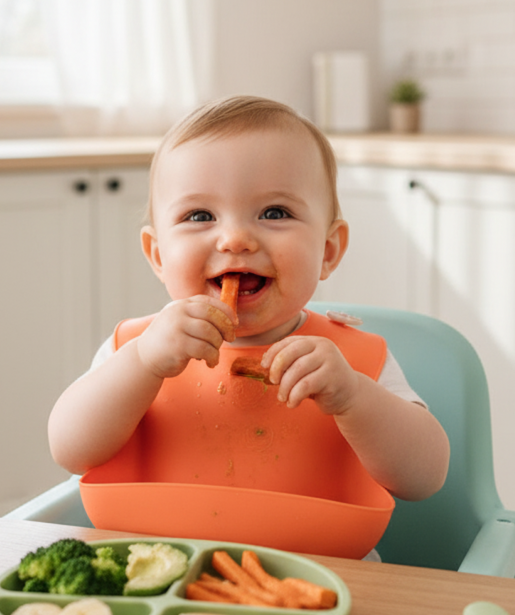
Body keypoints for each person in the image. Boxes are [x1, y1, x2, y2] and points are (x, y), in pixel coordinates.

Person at [48, 95, 449, 507]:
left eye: (274, 213)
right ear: (158, 255)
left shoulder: (349, 364)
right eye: (200, 216)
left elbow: (424, 479)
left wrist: (352, 397)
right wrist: (144, 363)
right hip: (168, 567)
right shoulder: (135, 350)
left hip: (325, 569)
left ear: (327, 251)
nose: (235, 239)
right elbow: (70, 451)